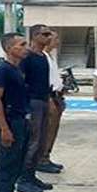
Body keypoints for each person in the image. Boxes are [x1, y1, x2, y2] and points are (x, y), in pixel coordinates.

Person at [0, 33, 35, 192]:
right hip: (11, 122)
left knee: (16, 164)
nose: (26, 48)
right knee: (6, 166)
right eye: (22, 44)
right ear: (9, 48)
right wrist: (4, 129)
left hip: (21, 121)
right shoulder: (3, 70)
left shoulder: (17, 69)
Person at [18, 24, 56, 192]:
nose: (49, 37)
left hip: (43, 100)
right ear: (35, 36)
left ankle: (32, 175)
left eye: (49, 34)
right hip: (32, 103)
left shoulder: (43, 57)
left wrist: (49, 99)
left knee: (41, 141)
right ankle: (24, 179)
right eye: (45, 34)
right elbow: (21, 81)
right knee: (32, 142)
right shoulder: (27, 57)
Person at [39, 31, 65, 174]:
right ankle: (41, 159)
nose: (57, 41)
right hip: (49, 97)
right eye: (55, 39)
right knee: (47, 129)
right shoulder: (43, 57)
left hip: (57, 96)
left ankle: (46, 156)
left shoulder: (51, 56)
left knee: (53, 130)